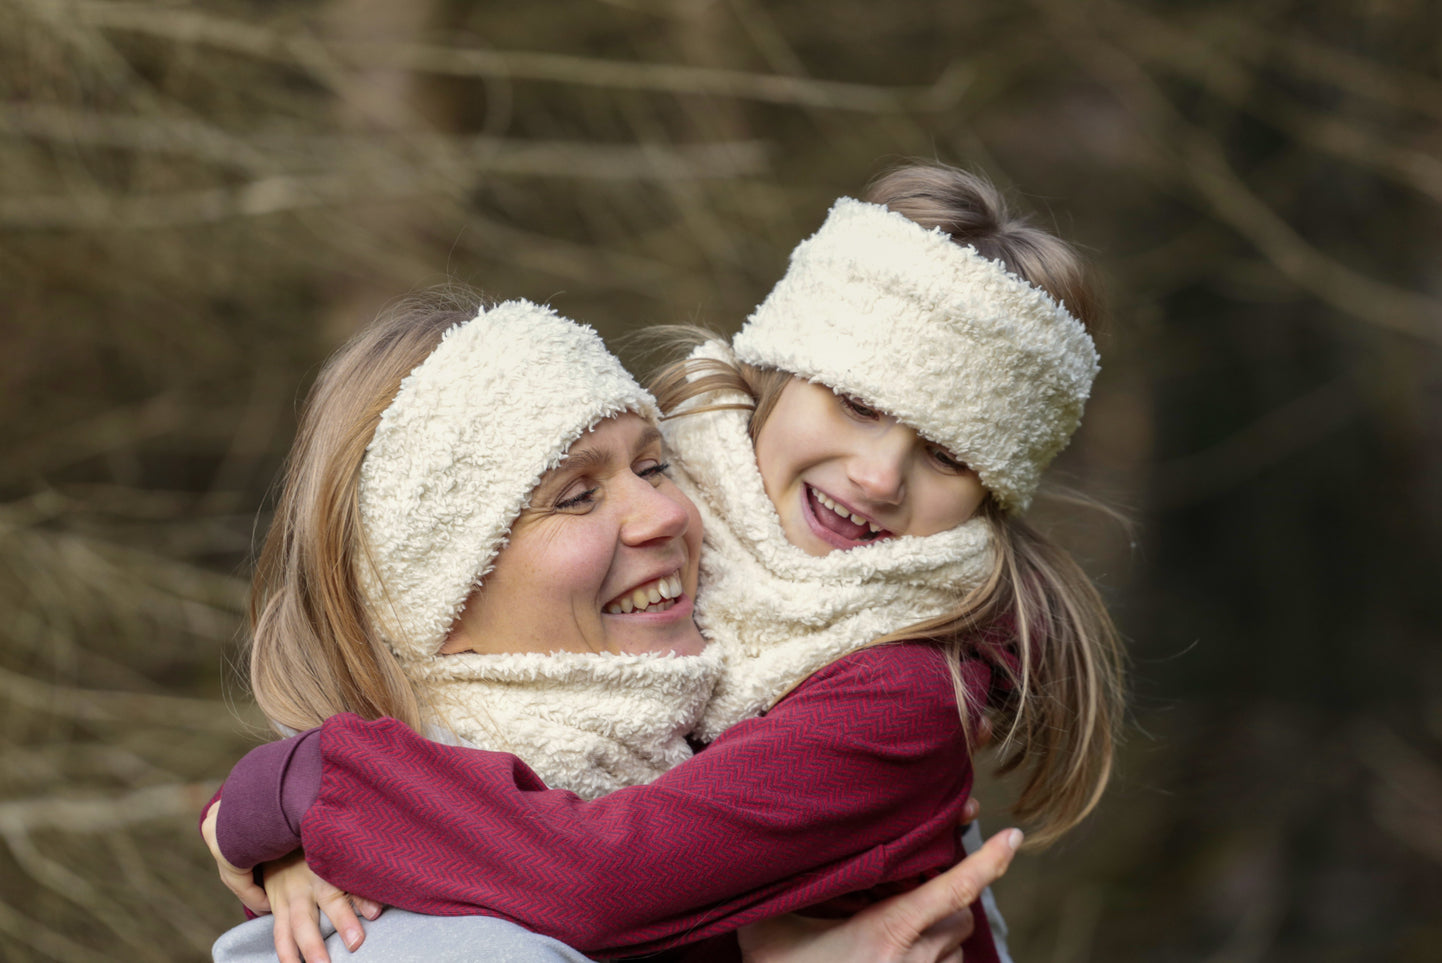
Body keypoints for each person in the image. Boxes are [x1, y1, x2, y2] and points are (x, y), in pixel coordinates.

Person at [207, 162, 1123, 960]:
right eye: (854, 402)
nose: (880, 474)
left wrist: (311, 788)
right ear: (774, 368)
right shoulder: (678, 529)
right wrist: (286, 819)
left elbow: (607, 880)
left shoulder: (905, 693)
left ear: (990, 496)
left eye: (949, 455)